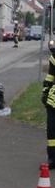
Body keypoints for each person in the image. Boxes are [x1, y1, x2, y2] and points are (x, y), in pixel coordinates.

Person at [42, 39, 55, 170]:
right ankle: (52, 158)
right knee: (51, 132)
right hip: (53, 101)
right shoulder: (54, 57)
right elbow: (50, 76)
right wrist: (45, 91)